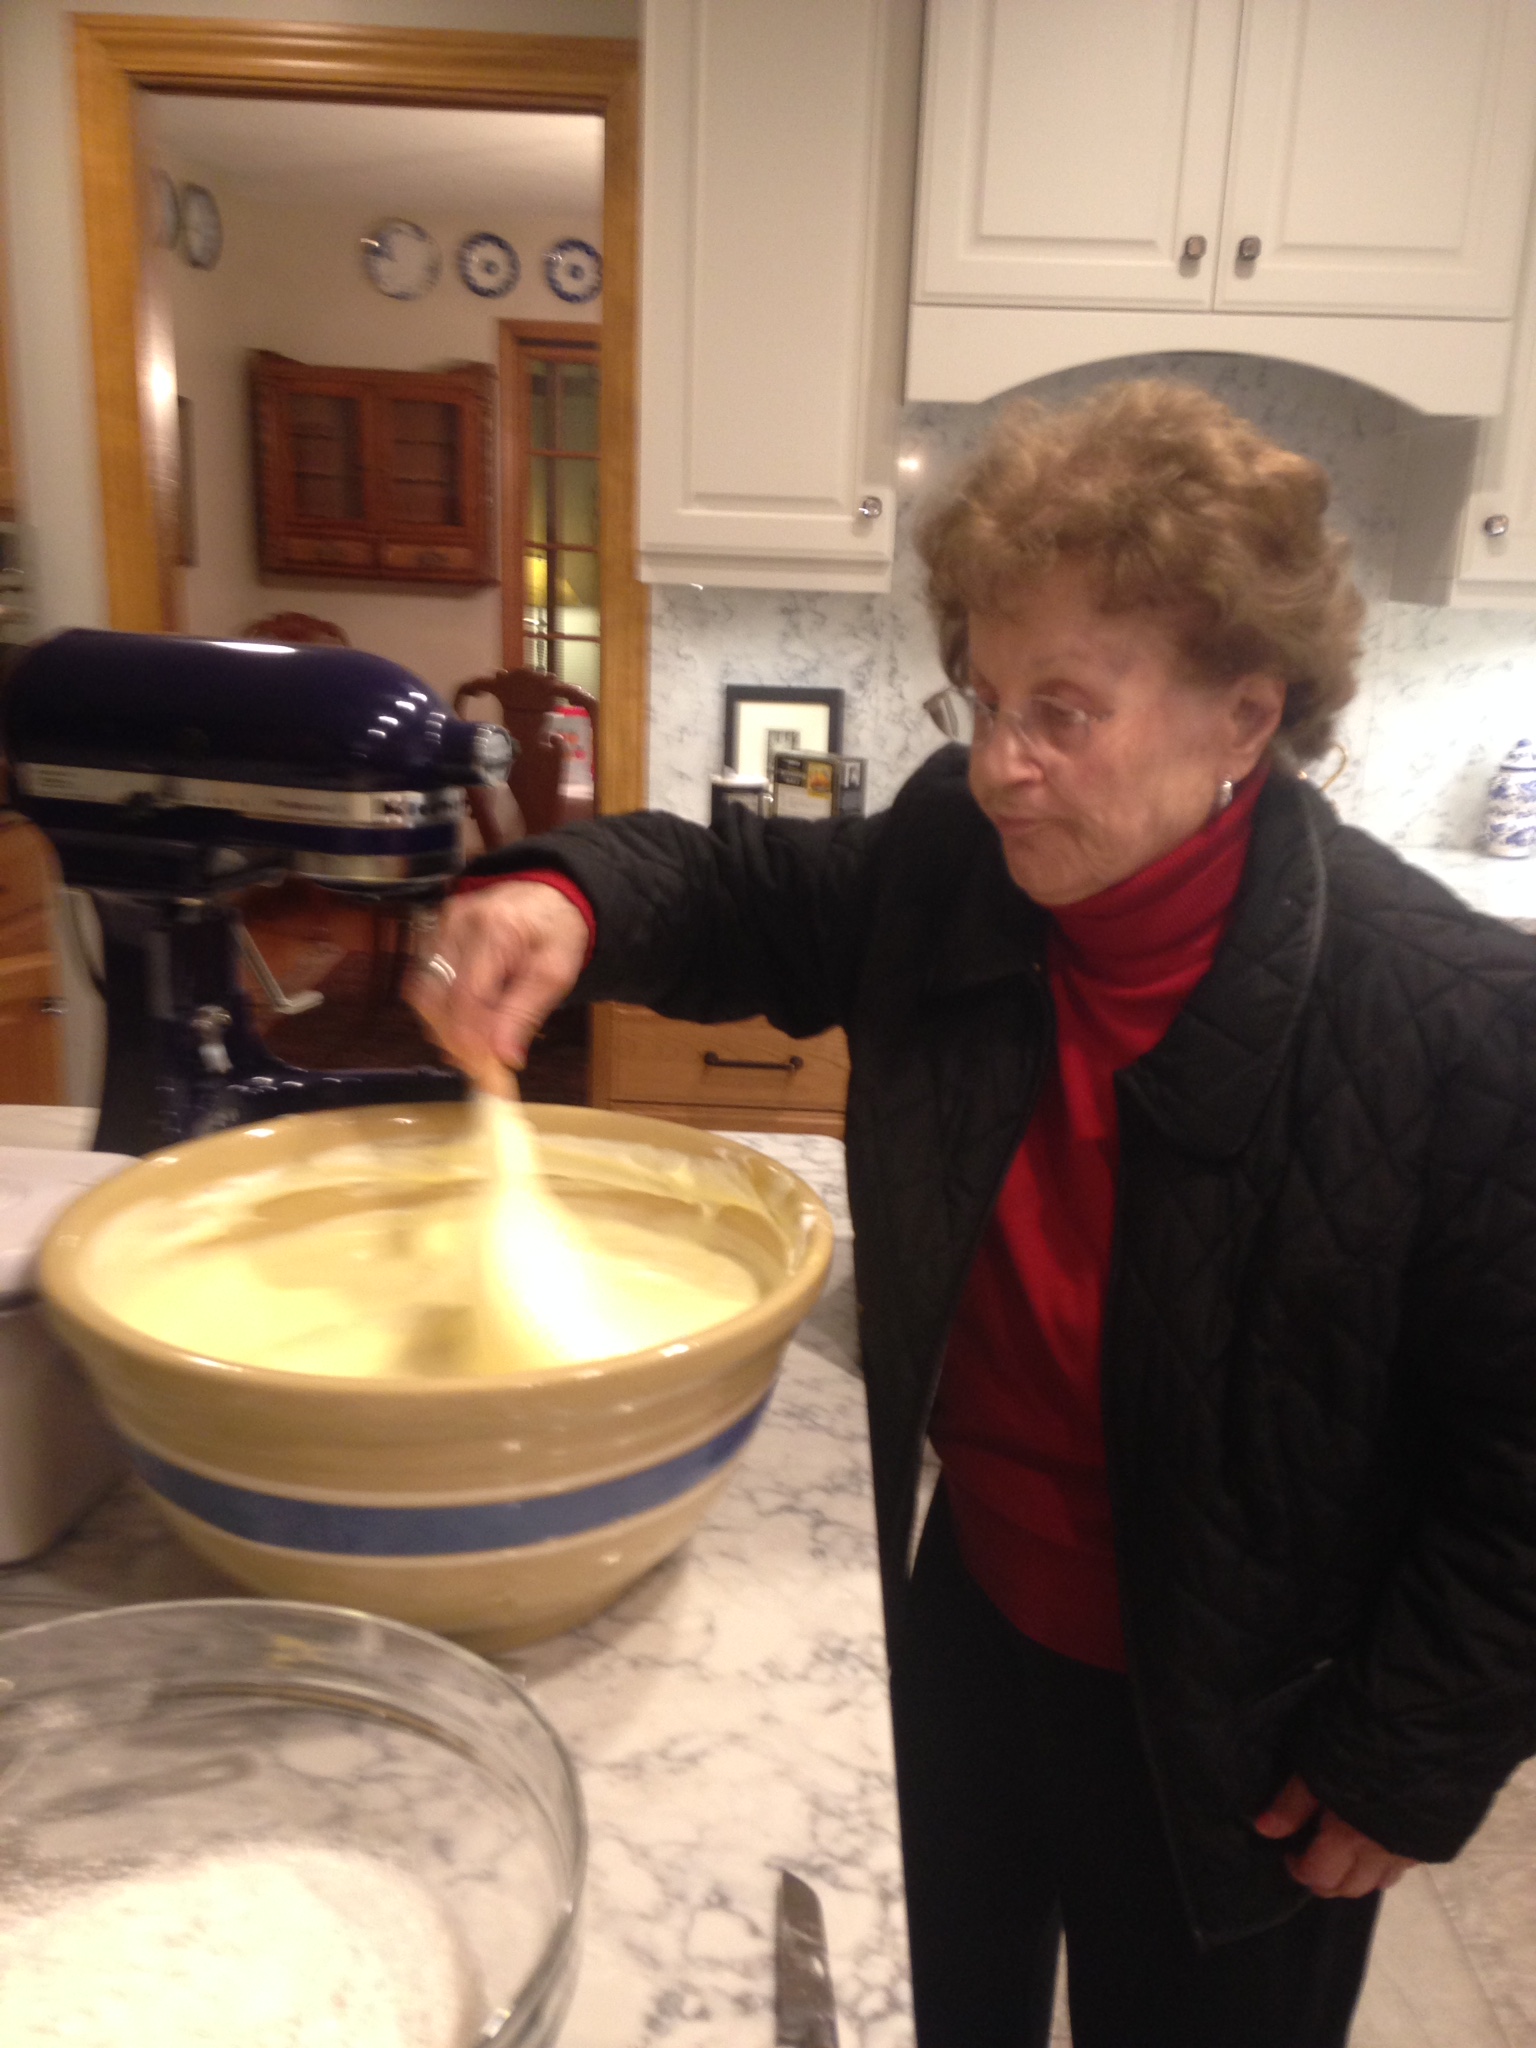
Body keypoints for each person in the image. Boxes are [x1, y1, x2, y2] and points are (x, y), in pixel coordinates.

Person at [411, 381, 1536, 2048]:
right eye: (987, 696)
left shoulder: (1449, 1015)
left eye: (1064, 711)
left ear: (1245, 715)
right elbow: (740, 890)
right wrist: (563, 893)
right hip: (967, 1611)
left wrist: (1414, 1747)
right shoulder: (957, 856)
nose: (1002, 765)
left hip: (1241, 1710)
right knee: (939, 2004)